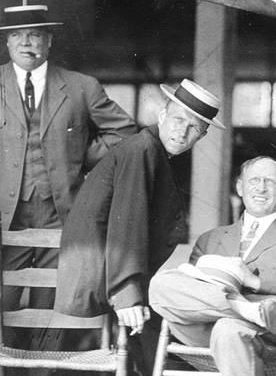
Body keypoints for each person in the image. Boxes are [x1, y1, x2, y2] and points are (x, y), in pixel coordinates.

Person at [0, 4, 135, 321]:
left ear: (49, 40)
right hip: (0, 218)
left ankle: (41, 371)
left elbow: (124, 131)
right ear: (7, 42)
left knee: (53, 312)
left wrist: (80, 158)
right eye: (17, 35)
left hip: (62, 215)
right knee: (1, 312)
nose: (26, 43)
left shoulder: (81, 86)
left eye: (34, 35)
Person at [55, 78, 224, 375]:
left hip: (110, 272)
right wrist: (126, 294)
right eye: (177, 119)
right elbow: (126, 224)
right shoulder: (143, 149)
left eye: (194, 127)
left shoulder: (152, 151)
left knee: (171, 336)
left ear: (203, 135)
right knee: (167, 342)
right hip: (104, 276)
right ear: (162, 115)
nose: (181, 131)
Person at [150, 156, 276, 376]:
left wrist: (253, 280)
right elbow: (193, 290)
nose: (261, 188)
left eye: (270, 182)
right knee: (159, 284)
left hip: (273, 332)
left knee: (228, 329)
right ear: (240, 187)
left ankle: (245, 313)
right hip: (205, 324)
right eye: (254, 180)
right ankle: (246, 310)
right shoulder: (210, 238)